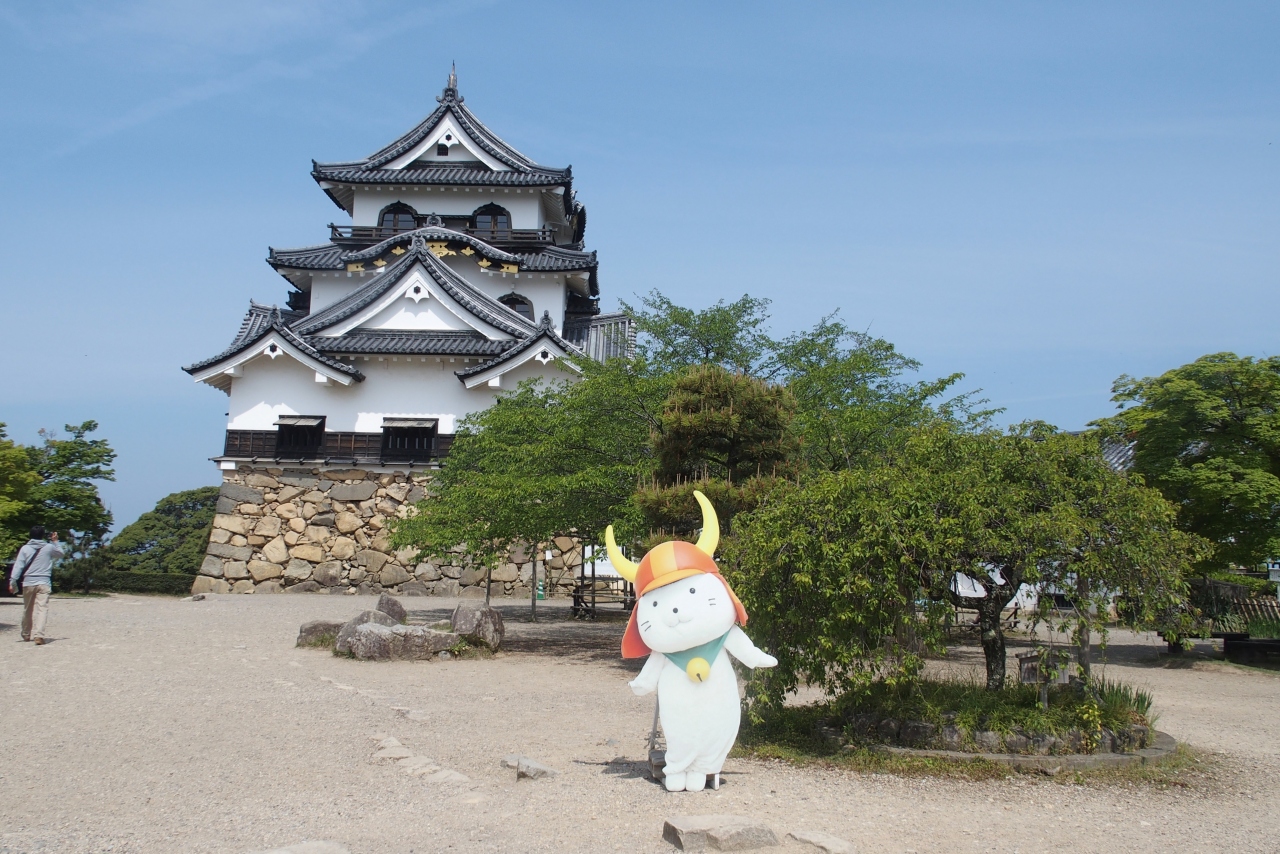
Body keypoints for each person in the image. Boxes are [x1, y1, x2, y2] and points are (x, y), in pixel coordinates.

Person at [9, 526, 64, 645]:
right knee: (42, 609)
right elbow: (60, 554)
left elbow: (18, 566)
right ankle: (39, 635)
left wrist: (12, 582)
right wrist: (55, 541)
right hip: (44, 582)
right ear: (43, 535)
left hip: (28, 582)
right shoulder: (48, 547)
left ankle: (26, 633)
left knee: (27, 609)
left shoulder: (25, 548)